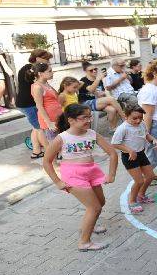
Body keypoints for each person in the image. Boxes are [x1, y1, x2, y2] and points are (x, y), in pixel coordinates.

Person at [42, 104, 118, 251]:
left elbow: (112, 153)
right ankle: (84, 242)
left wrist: (112, 174)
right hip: (73, 175)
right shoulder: (62, 138)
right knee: (94, 208)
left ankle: (89, 226)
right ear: (71, 120)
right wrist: (57, 181)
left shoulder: (92, 133)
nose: (89, 120)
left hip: (91, 172)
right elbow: (46, 161)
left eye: (90, 116)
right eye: (84, 117)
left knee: (100, 202)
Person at [111, 105, 157, 214]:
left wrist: (153, 140)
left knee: (150, 176)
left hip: (141, 154)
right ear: (126, 116)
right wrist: (129, 150)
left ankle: (141, 195)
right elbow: (115, 143)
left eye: (140, 118)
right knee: (139, 181)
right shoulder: (123, 128)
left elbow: (146, 135)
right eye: (134, 118)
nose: (138, 121)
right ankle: (132, 201)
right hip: (130, 157)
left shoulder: (141, 124)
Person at [17, 49, 51, 158]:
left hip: (29, 104)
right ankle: (49, 152)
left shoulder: (33, 68)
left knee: (36, 127)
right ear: (37, 59)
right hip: (27, 104)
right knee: (39, 128)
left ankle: (36, 151)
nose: (48, 61)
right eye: (46, 59)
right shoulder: (28, 69)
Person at [79, 62, 125, 131]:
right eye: (91, 70)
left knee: (112, 109)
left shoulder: (99, 80)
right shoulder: (83, 80)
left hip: (98, 102)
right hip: (86, 103)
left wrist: (103, 93)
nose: (94, 71)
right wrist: (98, 79)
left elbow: (103, 92)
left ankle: (113, 128)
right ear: (85, 71)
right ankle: (124, 118)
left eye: (95, 69)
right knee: (110, 99)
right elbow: (91, 89)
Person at [30, 63, 62, 141]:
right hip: (50, 121)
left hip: (57, 118)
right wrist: (49, 123)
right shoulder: (37, 87)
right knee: (54, 146)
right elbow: (39, 106)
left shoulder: (46, 83)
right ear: (40, 74)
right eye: (49, 71)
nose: (52, 73)